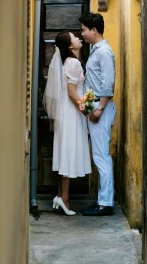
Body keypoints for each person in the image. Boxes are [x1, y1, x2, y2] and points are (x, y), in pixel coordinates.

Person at [44, 30, 91, 216]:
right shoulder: (73, 62)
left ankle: (60, 196)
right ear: (70, 46)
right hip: (72, 113)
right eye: (75, 37)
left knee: (65, 153)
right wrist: (85, 109)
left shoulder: (67, 61)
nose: (79, 38)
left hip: (67, 112)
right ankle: (64, 199)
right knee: (69, 153)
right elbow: (72, 92)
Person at [79, 12, 116, 217]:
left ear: (94, 30)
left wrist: (99, 109)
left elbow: (107, 84)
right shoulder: (96, 50)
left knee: (102, 156)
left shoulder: (104, 52)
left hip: (101, 110)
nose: (82, 33)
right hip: (95, 109)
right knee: (99, 155)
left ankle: (105, 204)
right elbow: (92, 82)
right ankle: (103, 200)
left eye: (84, 30)